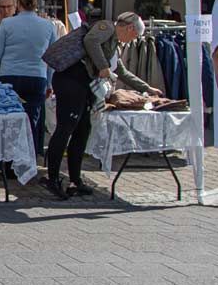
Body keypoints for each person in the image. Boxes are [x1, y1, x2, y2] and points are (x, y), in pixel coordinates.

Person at [43, 12, 161, 200]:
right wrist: (103, 66)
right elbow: (90, 41)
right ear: (130, 28)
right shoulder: (107, 27)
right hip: (70, 79)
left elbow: (121, 71)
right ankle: (53, 178)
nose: (133, 40)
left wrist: (147, 88)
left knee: (82, 131)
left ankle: (75, 180)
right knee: (65, 128)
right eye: (135, 36)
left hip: (83, 84)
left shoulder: (115, 45)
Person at [0, 0, 58, 159]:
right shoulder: (48, 25)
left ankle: (8, 161)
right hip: (36, 77)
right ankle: (27, 160)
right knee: (31, 121)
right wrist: (49, 83)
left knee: (8, 119)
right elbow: (51, 57)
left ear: (18, 4)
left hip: (9, 76)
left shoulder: (7, 24)